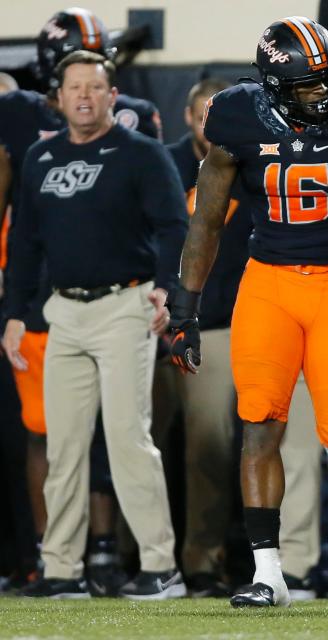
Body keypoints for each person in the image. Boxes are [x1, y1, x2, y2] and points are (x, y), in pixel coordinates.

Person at [166, 17, 328, 608]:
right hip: (267, 284)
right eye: (309, 86)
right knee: (259, 423)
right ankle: (269, 574)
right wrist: (186, 306)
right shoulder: (235, 116)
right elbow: (206, 219)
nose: (325, 95)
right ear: (275, 87)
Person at [1, 51, 187, 599]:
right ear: (58, 99)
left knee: (130, 439)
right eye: (74, 87)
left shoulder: (143, 155)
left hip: (123, 308)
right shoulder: (39, 157)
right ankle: (61, 568)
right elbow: (25, 245)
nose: (83, 96)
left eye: (94, 87)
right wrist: (13, 314)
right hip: (63, 312)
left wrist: (165, 289)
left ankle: (160, 566)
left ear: (112, 95)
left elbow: (175, 226)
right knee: (63, 446)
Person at [164, 77, 246, 597]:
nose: (209, 125)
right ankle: (199, 562)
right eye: (201, 115)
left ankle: (279, 562)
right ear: (189, 118)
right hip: (202, 324)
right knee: (206, 451)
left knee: (270, 446)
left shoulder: (257, 160)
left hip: (260, 319)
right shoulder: (165, 165)